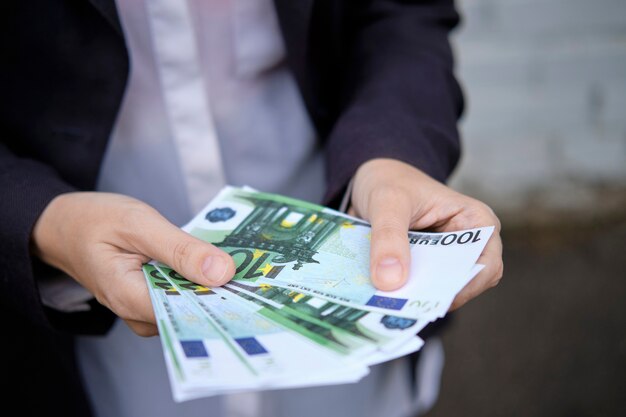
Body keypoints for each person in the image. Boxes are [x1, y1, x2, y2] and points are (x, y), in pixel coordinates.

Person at [0, 1, 503, 416]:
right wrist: (42, 221)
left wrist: (392, 152)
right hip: (91, 334)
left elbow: (400, 16)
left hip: (348, 231)